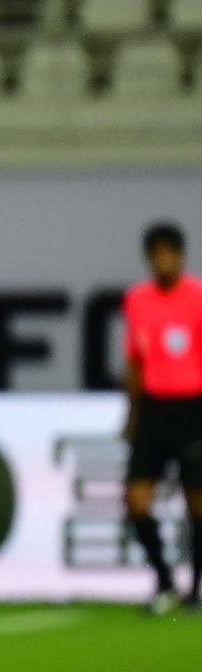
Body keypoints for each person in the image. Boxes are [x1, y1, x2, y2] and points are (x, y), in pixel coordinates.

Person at [122, 222, 202, 615]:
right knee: (136, 500)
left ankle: (195, 591)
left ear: (180, 256)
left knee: (197, 504)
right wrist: (133, 412)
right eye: (157, 254)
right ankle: (166, 581)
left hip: (193, 407)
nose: (163, 260)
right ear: (149, 259)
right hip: (154, 409)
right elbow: (134, 360)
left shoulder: (198, 297)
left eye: (169, 253)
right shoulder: (138, 300)